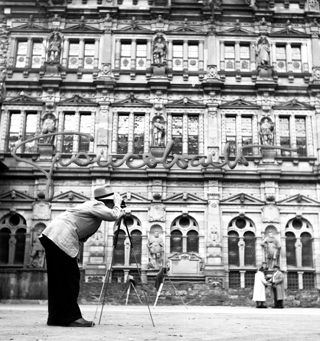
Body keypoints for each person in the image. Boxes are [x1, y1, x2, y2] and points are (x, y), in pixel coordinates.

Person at [39, 186, 125, 327]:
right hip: (60, 238)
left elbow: (83, 235)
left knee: (58, 280)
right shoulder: (97, 204)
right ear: (108, 201)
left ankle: (56, 317)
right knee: (70, 279)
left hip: (52, 236)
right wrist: (118, 205)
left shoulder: (92, 209)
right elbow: (113, 215)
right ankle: (72, 318)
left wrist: (118, 209)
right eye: (113, 202)